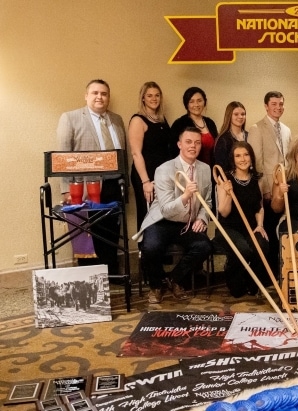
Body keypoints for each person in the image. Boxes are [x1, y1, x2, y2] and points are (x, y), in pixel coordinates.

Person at [134, 127, 213, 304]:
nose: (193, 146)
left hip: (187, 222)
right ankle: (156, 286)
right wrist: (185, 196)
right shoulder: (164, 169)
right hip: (162, 221)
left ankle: (173, 279)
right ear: (179, 145)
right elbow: (166, 210)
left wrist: (201, 217)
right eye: (188, 142)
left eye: (197, 142)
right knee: (151, 247)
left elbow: (207, 202)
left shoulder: (205, 169)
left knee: (204, 246)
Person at [57, 79, 127, 278]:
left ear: (108, 97)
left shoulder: (117, 119)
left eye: (104, 93)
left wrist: (125, 183)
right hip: (85, 187)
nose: (100, 97)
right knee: (88, 233)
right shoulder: (70, 118)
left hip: (114, 184)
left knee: (112, 232)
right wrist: (66, 189)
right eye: (95, 93)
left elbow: (124, 154)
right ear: (86, 95)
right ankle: (91, 279)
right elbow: (63, 157)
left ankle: (111, 274)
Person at [214, 141, 268, 297]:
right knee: (242, 249)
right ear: (233, 159)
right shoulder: (224, 179)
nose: (243, 159)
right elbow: (223, 212)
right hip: (229, 228)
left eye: (246, 154)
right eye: (238, 156)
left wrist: (260, 225)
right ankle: (233, 278)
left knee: (262, 245)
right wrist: (229, 193)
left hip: (251, 227)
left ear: (251, 157)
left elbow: (259, 207)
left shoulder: (257, 179)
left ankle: (252, 281)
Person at [247, 91, 292, 274]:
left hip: (284, 189)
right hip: (267, 189)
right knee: (269, 231)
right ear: (266, 106)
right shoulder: (257, 128)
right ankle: (268, 273)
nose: (278, 107)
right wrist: (264, 190)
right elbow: (256, 163)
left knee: (281, 230)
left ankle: (281, 270)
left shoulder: (287, 130)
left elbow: (288, 160)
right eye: (274, 104)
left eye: (280, 104)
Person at [128, 81, 171, 229]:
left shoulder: (161, 119)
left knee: (163, 212)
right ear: (143, 98)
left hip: (162, 175)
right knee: (148, 213)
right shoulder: (138, 120)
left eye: (157, 95)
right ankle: (145, 249)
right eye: (150, 95)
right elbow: (136, 153)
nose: (154, 98)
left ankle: (159, 248)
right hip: (146, 175)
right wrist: (145, 182)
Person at [169, 87, 219, 167]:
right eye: (191, 101)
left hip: (210, 170)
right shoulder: (179, 124)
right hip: (187, 171)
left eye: (199, 101)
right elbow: (172, 151)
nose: (196, 105)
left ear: (204, 102)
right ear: (186, 104)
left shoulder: (210, 123)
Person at [214, 101, 248, 170]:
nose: (240, 117)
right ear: (229, 116)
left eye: (243, 114)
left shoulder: (249, 136)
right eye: (236, 114)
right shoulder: (223, 139)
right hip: (230, 179)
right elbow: (221, 167)